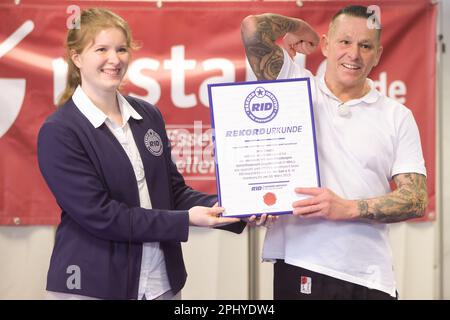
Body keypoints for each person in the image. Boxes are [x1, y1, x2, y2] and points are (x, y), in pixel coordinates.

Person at [37, 8, 245, 300]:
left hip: (161, 283)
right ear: (77, 57)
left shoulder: (147, 114)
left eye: (121, 49)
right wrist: (186, 220)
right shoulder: (60, 131)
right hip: (92, 286)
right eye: (102, 49)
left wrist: (236, 206)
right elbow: (102, 216)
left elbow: (172, 191)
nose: (115, 59)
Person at [241, 5, 428, 299]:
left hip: (371, 276)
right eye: (344, 42)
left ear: (378, 54)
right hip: (301, 264)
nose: (353, 54)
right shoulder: (295, 86)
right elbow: (253, 29)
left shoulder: (397, 116)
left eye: (365, 45)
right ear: (326, 45)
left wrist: (348, 208)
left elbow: (416, 199)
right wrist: (298, 26)